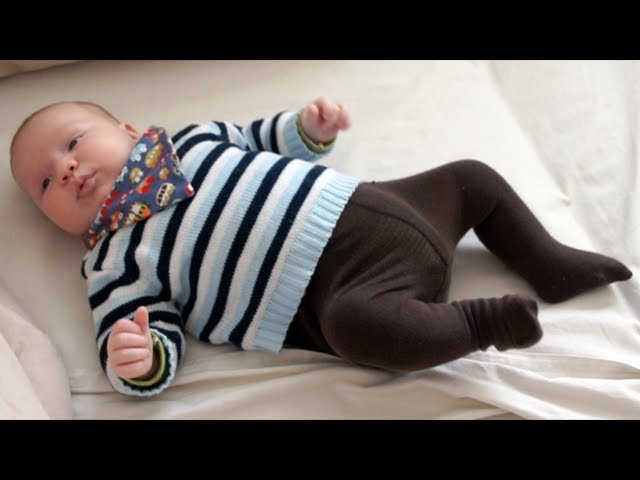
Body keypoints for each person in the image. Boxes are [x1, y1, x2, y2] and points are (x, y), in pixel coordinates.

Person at [9, 98, 633, 397]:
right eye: (44, 184)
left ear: (127, 130)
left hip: (379, 207)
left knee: (471, 178)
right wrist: (137, 361)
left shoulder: (191, 141)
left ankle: (548, 262)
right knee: (363, 332)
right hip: (342, 292)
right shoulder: (114, 262)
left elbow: (261, 137)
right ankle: (481, 323)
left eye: (74, 143)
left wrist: (308, 129)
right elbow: (142, 334)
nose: (65, 170)